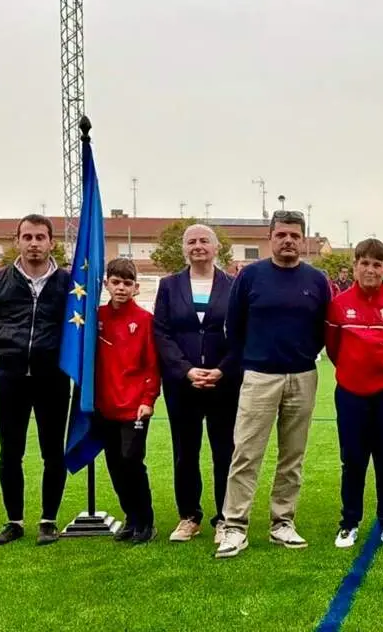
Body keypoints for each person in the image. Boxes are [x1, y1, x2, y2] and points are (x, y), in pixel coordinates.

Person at [215, 211, 332, 559]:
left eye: (294, 235)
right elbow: (233, 326)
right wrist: (253, 360)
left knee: (292, 456)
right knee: (246, 454)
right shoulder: (250, 276)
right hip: (259, 377)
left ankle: (283, 522)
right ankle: (235, 527)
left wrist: (304, 355)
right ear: (270, 238)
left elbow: (323, 328)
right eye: (281, 235)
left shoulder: (317, 280)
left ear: (303, 239)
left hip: (302, 376)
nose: (288, 241)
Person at [0, 214, 72, 546]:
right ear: (17, 240)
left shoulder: (68, 284)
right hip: (10, 379)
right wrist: (10, 354)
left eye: (40, 237)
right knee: (10, 452)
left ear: (51, 242)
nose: (34, 244)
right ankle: (14, 521)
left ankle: (48, 520)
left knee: (53, 452)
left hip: (53, 379)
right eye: (27, 237)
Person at [152, 223, 239, 544]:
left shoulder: (234, 286)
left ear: (217, 248)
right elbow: (161, 333)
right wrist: (186, 370)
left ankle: (225, 518)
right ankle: (189, 516)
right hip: (182, 385)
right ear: (184, 249)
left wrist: (222, 370)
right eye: (191, 241)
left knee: (224, 452)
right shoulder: (169, 286)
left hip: (223, 384)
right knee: (185, 452)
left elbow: (242, 333)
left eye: (204, 241)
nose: (198, 246)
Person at [326, 238, 383, 550]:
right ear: (355, 266)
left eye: (377, 264)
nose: (370, 270)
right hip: (351, 394)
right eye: (364, 263)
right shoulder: (339, 304)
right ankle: (349, 522)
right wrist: (354, 373)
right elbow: (333, 349)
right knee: (353, 460)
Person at [94, 258, 161, 543]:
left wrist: (148, 399)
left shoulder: (145, 320)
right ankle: (131, 518)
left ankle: (146, 521)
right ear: (106, 284)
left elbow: (152, 365)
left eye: (127, 283)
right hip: (104, 405)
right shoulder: (95, 318)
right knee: (114, 465)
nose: (121, 288)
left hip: (134, 406)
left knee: (131, 461)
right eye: (116, 282)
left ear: (136, 287)